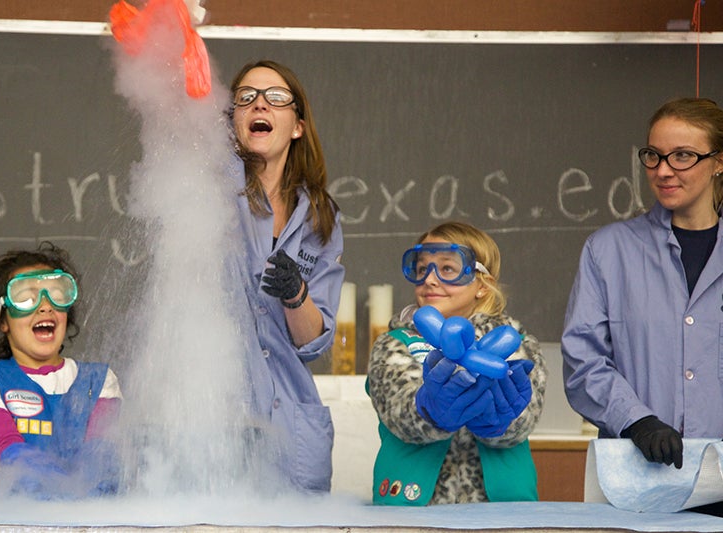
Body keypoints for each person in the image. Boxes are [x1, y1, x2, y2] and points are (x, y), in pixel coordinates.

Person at [562, 98, 723, 474]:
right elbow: (583, 361)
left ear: (718, 162)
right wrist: (636, 421)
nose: (663, 170)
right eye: (654, 155)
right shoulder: (608, 251)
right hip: (638, 476)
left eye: (682, 156)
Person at [367, 221, 547, 505]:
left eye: (447, 269)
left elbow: (523, 422)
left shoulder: (516, 343)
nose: (429, 279)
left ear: (482, 285)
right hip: (413, 513)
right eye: (422, 268)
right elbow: (399, 414)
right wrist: (429, 409)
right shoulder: (394, 343)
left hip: (503, 514)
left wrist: (500, 421)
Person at [229, 60, 345, 492]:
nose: (259, 103)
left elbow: (314, 341)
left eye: (275, 97)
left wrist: (296, 295)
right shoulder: (207, 192)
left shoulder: (321, 216)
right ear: (233, 121)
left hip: (292, 428)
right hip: (221, 418)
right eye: (245, 97)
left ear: (297, 125)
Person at [0, 241, 123, 499]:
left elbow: (98, 459)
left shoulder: (99, 382)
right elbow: (10, 453)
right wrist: (62, 492)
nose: (45, 306)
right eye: (25, 297)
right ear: (3, 319)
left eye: (56, 294)